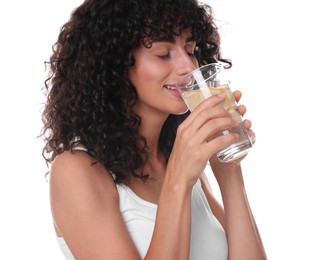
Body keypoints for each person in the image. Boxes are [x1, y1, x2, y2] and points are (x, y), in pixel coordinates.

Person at [41, 0, 267, 259]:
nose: (189, 67)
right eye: (163, 54)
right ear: (117, 66)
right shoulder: (77, 171)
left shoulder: (179, 161)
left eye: (191, 49)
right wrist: (179, 180)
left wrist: (229, 171)